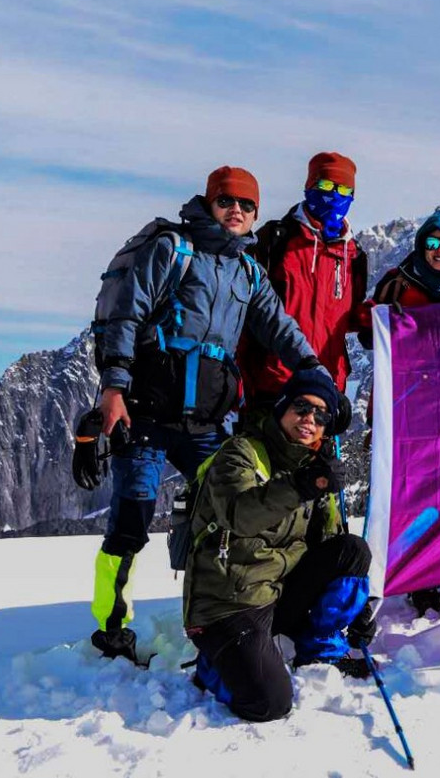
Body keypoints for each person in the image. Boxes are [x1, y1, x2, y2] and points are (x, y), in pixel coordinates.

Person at [87, 166, 331, 663]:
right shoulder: (173, 251)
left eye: (245, 205)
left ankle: (215, 619)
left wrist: (314, 371)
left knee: (222, 520)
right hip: (147, 416)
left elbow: (278, 327)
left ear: (255, 213)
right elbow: (127, 315)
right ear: (209, 203)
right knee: (130, 523)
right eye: (226, 202)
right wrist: (113, 387)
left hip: (209, 423)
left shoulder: (247, 272)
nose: (235, 211)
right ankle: (112, 631)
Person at [184, 370, 380, 721]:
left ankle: (320, 652)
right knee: (269, 703)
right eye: (302, 407)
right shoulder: (240, 453)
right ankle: (214, 665)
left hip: (279, 592)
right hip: (228, 602)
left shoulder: (312, 466)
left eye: (321, 415)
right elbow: (238, 514)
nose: (310, 419)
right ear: (282, 408)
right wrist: (304, 485)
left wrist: (354, 601)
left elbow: (329, 544)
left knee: (352, 550)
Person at [364, 210, 440, 614]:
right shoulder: (398, 282)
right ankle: (419, 577)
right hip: (407, 406)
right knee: (413, 496)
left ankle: (438, 568)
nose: (439, 251)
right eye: (432, 243)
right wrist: (379, 318)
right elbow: (368, 333)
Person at [239, 152, 368, 407]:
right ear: (309, 187)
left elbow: (347, 317)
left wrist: (375, 318)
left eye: (344, 189)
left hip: (326, 386)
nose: (334, 194)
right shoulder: (275, 240)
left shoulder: (354, 256)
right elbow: (246, 309)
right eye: (326, 185)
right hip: (271, 385)